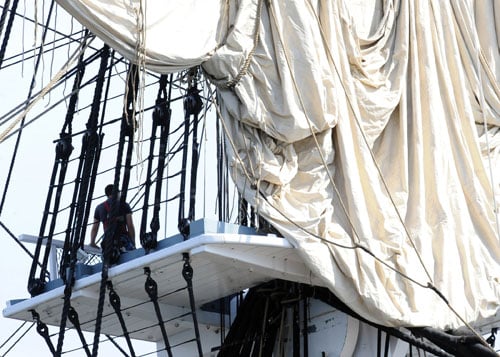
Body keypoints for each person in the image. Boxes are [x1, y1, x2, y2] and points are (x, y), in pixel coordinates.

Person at [90, 184, 136, 252]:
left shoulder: (99, 208)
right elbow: (130, 226)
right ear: (117, 193)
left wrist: (92, 242)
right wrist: (133, 242)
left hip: (107, 241)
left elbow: (95, 228)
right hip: (122, 239)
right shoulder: (124, 205)